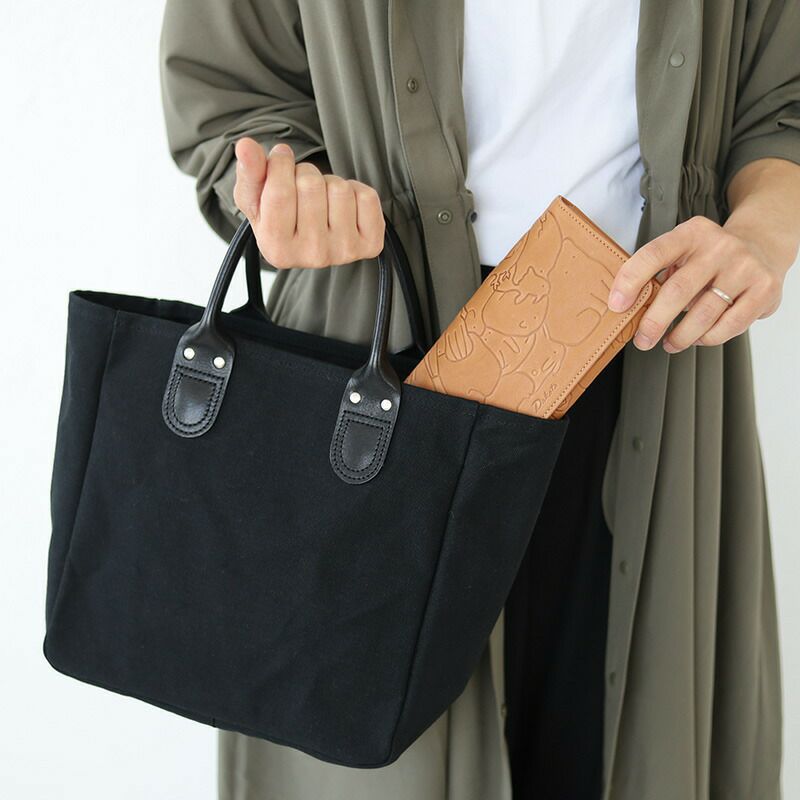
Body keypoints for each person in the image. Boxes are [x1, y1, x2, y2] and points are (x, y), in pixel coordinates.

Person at [159, 1, 800, 798]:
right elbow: (229, 89)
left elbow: (781, 103)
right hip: (381, 355)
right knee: (370, 750)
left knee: (617, 742)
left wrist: (764, 235)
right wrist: (294, 193)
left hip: (654, 348)